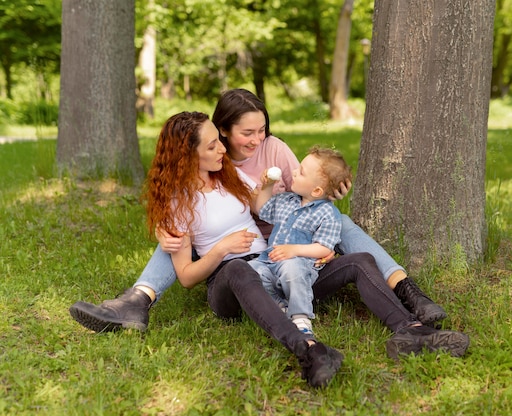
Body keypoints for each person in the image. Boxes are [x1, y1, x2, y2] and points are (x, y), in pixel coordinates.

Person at [70, 111, 470, 388]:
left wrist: (329, 191)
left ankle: (410, 331)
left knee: (360, 261)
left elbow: (290, 197)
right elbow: (189, 277)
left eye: (218, 143)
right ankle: (308, 348)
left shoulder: (229, 177)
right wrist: (221, 248)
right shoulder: (179, 202)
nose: (222, 150)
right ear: (186, 154)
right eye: (211, 146)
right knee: (239, 269)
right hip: (228, 283)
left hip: (279, 266)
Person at [68, 88, 446, 333]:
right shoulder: (212, 161)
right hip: (233, 245)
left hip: (279, 235)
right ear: (222, 132)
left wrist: (331, 191)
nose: (256, 139)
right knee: (175, 237)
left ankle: (407, 290)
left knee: (341, 221)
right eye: (246, 133)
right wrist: (165, 229)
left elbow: (307, 188)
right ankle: (138, 299)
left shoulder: (274, 149)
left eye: (261, 129)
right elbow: (186, 204)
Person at [248, 146, 352, 337]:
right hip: (269, 260)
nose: (294, 172)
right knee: (252, 271)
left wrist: (294, 250)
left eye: (301, 172)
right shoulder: (286, 200)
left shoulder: (327, 213)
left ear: (317, 189)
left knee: (292, 269)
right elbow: (262, 208)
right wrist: (267, 186)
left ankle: (300, 316)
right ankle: (279, 306)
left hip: (299, 264)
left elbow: (324, 247)